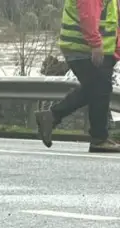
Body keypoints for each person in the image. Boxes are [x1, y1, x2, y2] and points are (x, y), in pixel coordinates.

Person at [36, 0, 120, 152]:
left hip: (93, 49)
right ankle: (98, 138)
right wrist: (95, 44)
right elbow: (88, 15)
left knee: (94, 89)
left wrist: (115, 48)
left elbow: (112, 20)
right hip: (83, 48)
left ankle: (51, 117)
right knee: (100, 88)